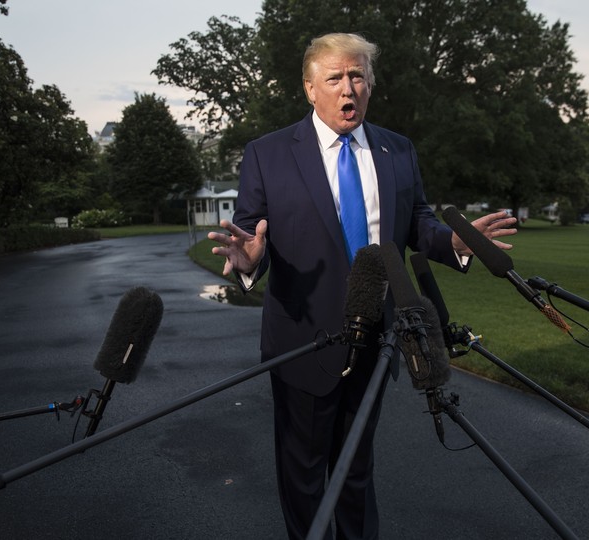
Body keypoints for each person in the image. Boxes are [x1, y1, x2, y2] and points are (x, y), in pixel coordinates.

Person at [208, 32, 517, 539]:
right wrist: (251, 259)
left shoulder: (397, 149)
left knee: (356, 470)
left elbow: (417, 221)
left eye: (358, 76)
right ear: (310, 88)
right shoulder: (268, 153)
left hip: (378, 335)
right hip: (302, 340)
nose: (348, 88)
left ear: (370, 85)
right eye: (335, 78)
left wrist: (459, 243)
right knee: (305, 477)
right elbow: (251, 231)